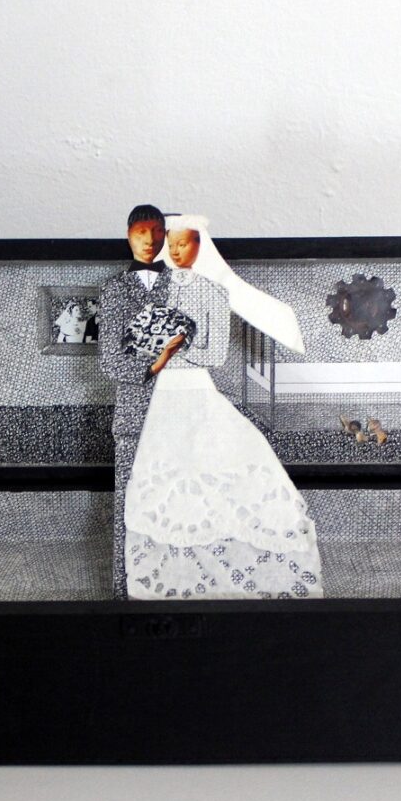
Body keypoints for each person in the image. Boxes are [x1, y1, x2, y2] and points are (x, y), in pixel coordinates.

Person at [122, 215, 324, 599]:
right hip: (160, 392)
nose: (177, 251)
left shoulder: (211, 291)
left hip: (194, 385)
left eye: (185, 243)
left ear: (199, 247)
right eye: (170, 244)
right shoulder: (147, 290)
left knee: (228, 457)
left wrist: (175, 345)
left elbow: (214, 351)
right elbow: (133, 345)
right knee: (165, 471)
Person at [97, 204, 184, 599]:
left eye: (156, 232)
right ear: (128, 236)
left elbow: (198, 349)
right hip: (133, 417)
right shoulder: (114, 290)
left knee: (175, 503)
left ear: (166, 234)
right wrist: (158, 363)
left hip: (178, 415)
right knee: (130, 506)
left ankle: (174, 586)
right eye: (140, 232)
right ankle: (126, 591)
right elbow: (110, 362)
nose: (149, 240)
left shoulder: (182, 284)